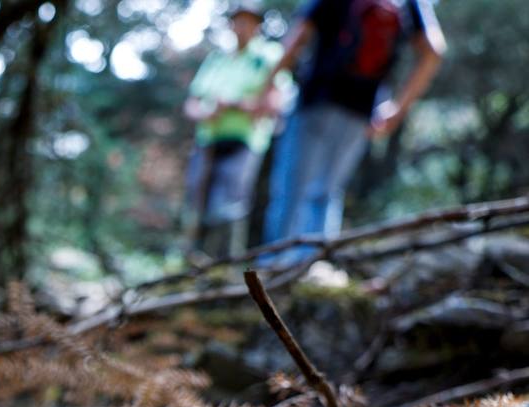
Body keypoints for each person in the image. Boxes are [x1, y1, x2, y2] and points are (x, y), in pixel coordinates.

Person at [260, 0, 445, 256]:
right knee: (327, 193)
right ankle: (312, 265)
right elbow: (433, 52)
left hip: (316, 100)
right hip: (362, 111)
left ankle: (275, 265)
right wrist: (398, 109)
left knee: (293, 188)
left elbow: (298, 37)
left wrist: (267, 85)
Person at [182, 1, 289, 257]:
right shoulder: (217, 59)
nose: (242, 27)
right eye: (238, 20)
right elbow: (192, 103)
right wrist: (206, 112)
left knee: (229, 205)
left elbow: (277, 102)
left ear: (258, 26)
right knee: (197, 202)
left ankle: (225, 265)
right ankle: (191, 263)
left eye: (248, 21)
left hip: (244, 141)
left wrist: (236, 105)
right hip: (208, 141)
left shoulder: (268, 56)